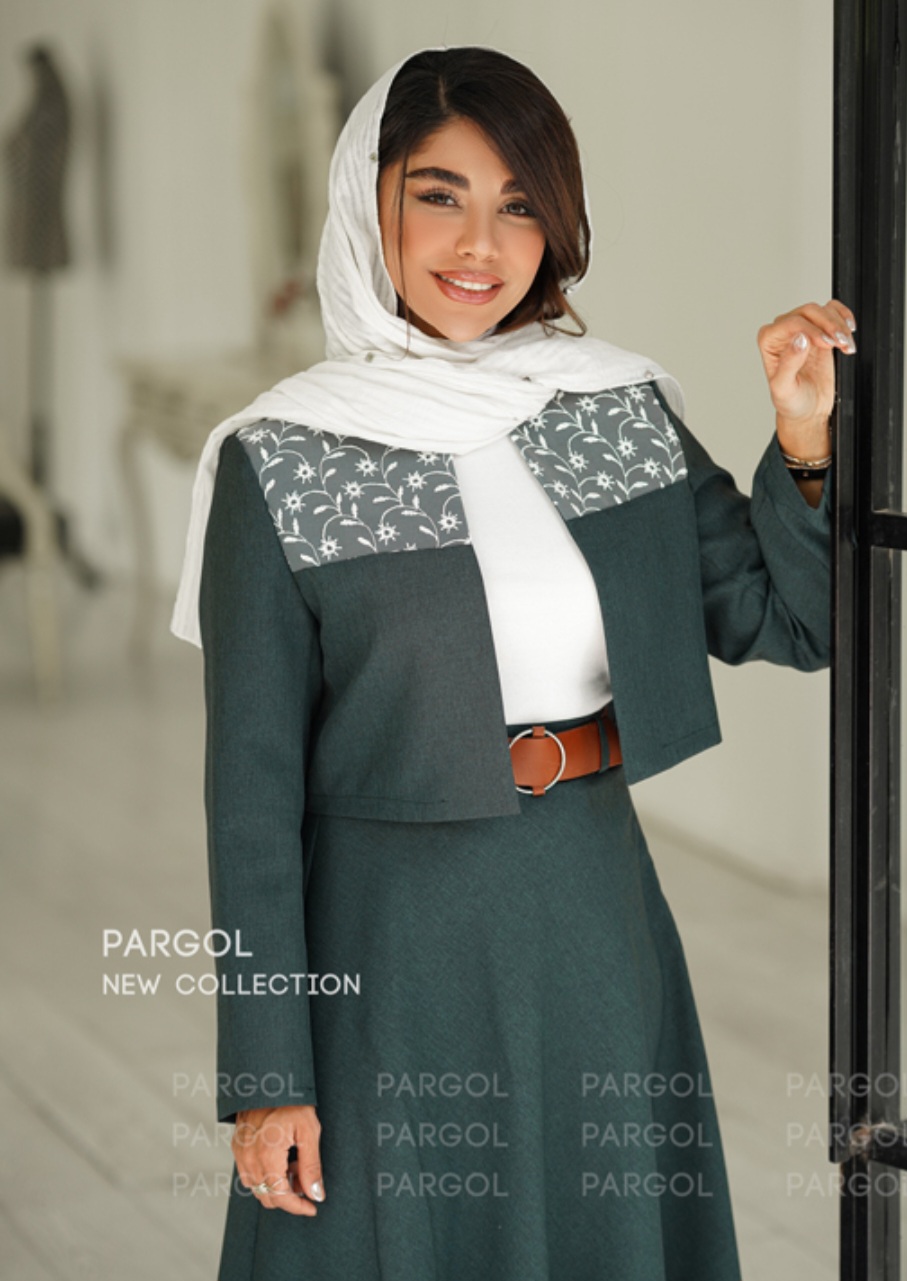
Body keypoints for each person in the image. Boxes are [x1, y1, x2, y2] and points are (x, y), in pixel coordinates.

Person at [171, 44, 852, 1281]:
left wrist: (801, 438)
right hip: (387, 938)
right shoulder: (283, 458)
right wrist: (268, 1077)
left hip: (591, 907)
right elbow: (250, 798)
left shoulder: (611, 410)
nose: (480, 243)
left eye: (520, 204)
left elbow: (791, 624)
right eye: (439, 195)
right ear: (367, 202)